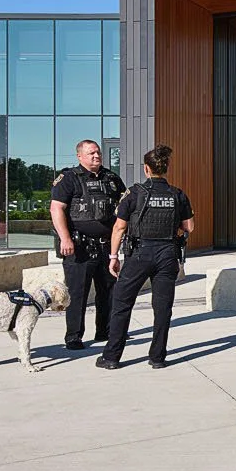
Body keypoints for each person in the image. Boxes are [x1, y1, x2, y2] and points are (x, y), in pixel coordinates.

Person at [96, 145, 193, 370]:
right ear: (166, 168)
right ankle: (158, 357)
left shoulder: (134, 193)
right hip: (168, 254)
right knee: (162, 308)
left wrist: (113, 256)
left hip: (139, 253)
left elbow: (119, 228)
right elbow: (190, 226)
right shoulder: (177, 194)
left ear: (146, 169)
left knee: (121, 303)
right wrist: (173, 232)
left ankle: (111, 357)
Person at [49, 139, 126, 350]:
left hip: (105, 247)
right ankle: (74, 336)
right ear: (79, 156)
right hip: (78, 247)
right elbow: (56, 209)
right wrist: (65, 238)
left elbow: (124, 208)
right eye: (91, 153)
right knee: (77, 294)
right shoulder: (69, 178)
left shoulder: (111, 178)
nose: (96, 156)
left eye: (98, 152)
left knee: (108, 291)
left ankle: (106, 331)